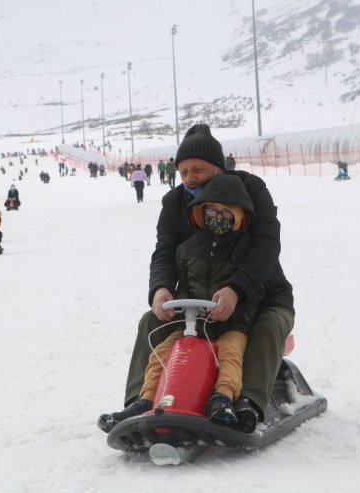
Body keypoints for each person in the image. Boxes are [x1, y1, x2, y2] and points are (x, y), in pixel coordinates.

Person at [99, 123, 294, 434]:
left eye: (198, 170)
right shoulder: (175, 204)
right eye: (184, 171)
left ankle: (246, 403)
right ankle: (140, 402)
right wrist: (161, 288)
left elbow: (266, 247)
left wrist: (236, 290)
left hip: (261, 296)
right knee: (151, 322)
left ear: (218, 168)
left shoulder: (250, 191)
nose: (189, 179)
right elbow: (165, 251)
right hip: (197, 300)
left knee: (266, 326)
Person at [120, 174, 261, 429]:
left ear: (239, 216)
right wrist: (173, 301)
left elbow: (253, 289)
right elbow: (183, 284)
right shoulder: (187, 249)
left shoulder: (247, 248)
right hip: (191, 323)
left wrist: (234, 306)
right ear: (201, 213)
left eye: (226, 213)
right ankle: (146, 399)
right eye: (212, 211)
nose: (218, 218)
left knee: (230, 353)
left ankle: (223, 398)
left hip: (231, 324)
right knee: (163, 352)